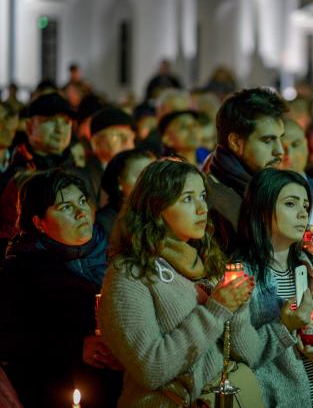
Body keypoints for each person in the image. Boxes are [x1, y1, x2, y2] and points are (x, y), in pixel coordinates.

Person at [98, 159, 255, 407]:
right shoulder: (129, 275)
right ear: (156, 206)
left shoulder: (208, 262)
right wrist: (216, 310)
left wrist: (238, 306)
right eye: (188, 199)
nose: (203, 208)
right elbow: (151, 368)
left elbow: (248, 354)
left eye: (202, 196)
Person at [0, 169, 121, 408]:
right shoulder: (19, 270)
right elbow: (9, 339)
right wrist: (76, 346)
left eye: (82, 201)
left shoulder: (116, 254)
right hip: (58, 391)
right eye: (65, 207)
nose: (80, 212)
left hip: (120, 387)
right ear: (39, 222)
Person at [234, 168, 313, 408]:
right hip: (278, 398)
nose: (302, 213)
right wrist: (284, 326)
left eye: (305, 205)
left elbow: (311, 327)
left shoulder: (307, 265)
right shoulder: (241, 275)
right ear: (262, 210)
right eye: (290, 204)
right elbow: (242, 353)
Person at [204, 87, 288, 252]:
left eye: (280, 138)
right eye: (268, 140)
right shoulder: (210, 200)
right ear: (235, 142)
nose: (280, 150)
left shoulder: (265, 188)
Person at [0, 92, 78, 253]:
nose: (59, 129)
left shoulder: (80, 172)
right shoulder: (15, 178)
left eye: (66, 122)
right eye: (50, 121)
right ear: (29, 126)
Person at [280, 118, 313, 233]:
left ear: (306, 144)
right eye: (282, 147)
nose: (289, 154)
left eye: (296, 144)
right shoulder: (264, 196)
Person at [96, 148, 156, 237]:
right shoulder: (105, 223)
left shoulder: (158, 216)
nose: (150, 181)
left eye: (154, 174)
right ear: (119, 182)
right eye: (141, 175)